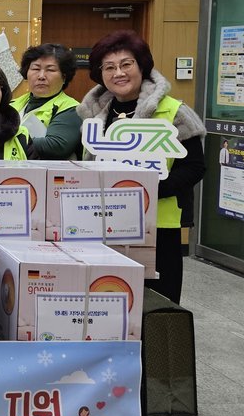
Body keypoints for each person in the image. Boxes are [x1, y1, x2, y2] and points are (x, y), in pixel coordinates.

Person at [77, 30, 206, 304]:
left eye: (126, 64)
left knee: (157, 304)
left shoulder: (172, 111)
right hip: (103, 223)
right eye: (109, 67)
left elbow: (195, 167)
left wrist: (146, 191)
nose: (118, 73)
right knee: (106, 298)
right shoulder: (94, 114)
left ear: (142, 66)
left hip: (158, 226)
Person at [11, 43, 83, 160]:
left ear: (64, 77)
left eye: (50, 70)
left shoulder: (72, 109)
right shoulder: (12, 104)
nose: (41, 76)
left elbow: (55, 146)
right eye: (35, 69)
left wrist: (4, 140)